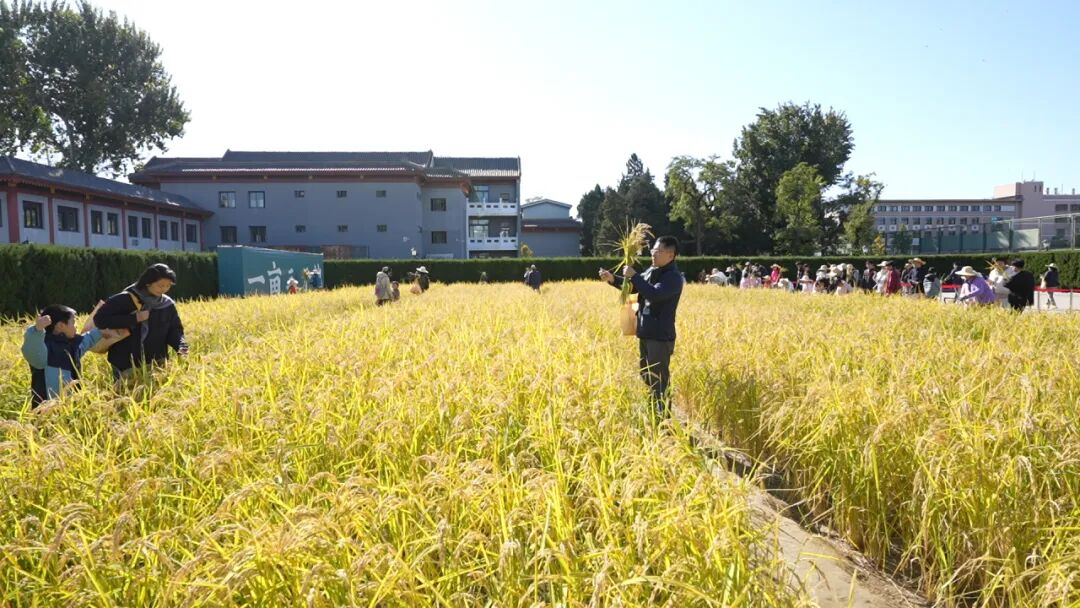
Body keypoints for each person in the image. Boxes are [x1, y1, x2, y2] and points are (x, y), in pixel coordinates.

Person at [599, 236, 684, 417]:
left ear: (670, 255)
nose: (653, 254)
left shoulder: (673, 277)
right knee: (647, 375)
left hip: (659, 336)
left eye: (658, 251)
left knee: (659, 379)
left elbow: (654, 294)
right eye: (653, 250)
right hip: (646, 332)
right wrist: (613, 279)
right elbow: (634, 288)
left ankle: (663, 418)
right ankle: (653, 412)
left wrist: (635, 276)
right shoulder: (652, 271)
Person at [93, 263, 188, 379]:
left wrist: (182, 348)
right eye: (160, 285)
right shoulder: (126, 299)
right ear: (148, 282)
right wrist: (135, 318)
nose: (164, 289)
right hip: (125, 362)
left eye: (168, 286)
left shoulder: (167, 304)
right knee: (125, 390)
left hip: (156, 363)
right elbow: (100, 319)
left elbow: (175, 330)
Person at [22, 305, 129, 406]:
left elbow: (89, 339)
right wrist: (37, 330)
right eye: (73, 322)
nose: (76, 326)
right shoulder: (43, 347)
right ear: (60, 326)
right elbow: (32, 350)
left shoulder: (72, 344)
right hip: (46, 408)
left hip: (71, 404)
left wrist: (101, 332)